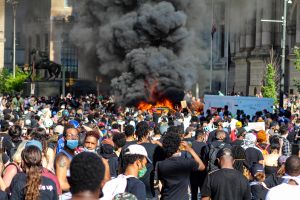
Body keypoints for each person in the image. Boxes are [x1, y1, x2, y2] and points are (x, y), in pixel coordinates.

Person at [157, 132, 205, 200]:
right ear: (178, 147)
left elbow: (162, 183)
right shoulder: (186, 162)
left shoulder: (160, 164)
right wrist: (190, 149)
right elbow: (202, 166)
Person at [55, 126, 79, 194]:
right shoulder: (62, 158)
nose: (73, 138)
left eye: (76, 136)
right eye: (70, 135)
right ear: (64, 138)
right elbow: (61, 183)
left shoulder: (76, 155)